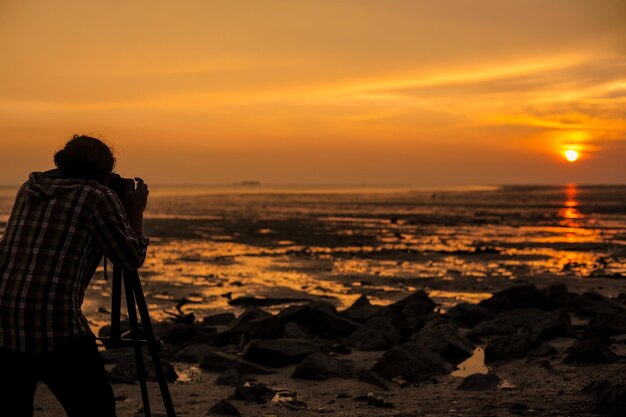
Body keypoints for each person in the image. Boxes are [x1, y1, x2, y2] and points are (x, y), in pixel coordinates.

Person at [0, 135, 150, 417]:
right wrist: (135, 213)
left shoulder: (30, 188)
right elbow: (130, 258)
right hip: (54, 321)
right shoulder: (96, 196)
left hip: (4, 317)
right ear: (104, 172)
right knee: (96, 409)